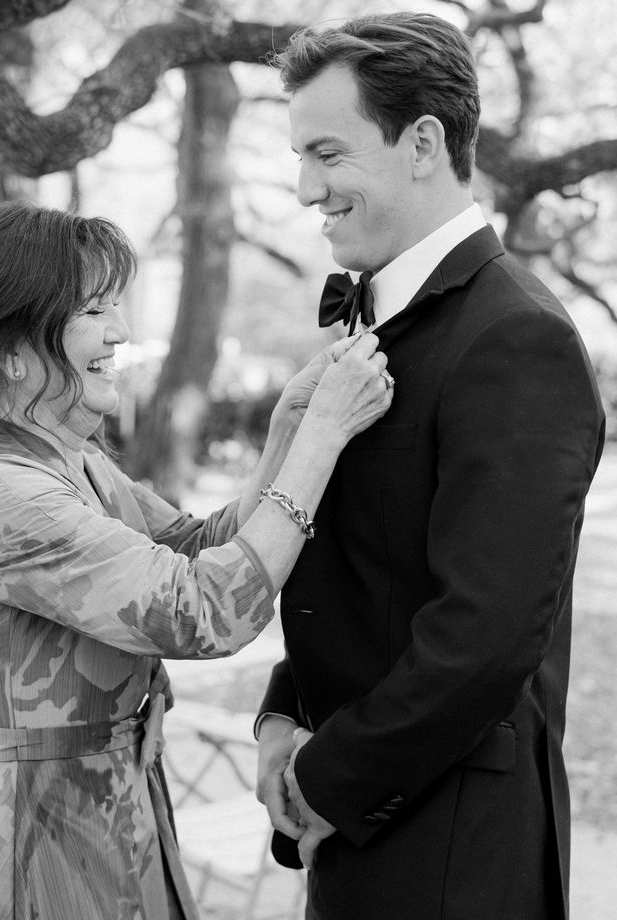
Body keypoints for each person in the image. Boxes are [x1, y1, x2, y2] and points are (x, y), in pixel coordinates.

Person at [0, 200, 393, 920]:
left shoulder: (65, 456)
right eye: (93, 309)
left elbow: (195, 546)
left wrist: (288, 427)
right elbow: (203, 612)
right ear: (8, 346)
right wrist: (322, 440)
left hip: (113, 819)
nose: (120, 331)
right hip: (32, 847)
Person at [255, 12, 605, 920]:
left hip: (453, 854)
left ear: (421, 142)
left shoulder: (517, 337)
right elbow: (362, 573)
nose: (304, 188)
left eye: (327, 154)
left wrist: (324, 782)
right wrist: (280, 719)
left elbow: (483, 637)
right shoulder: (380, 324)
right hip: (367, 821)